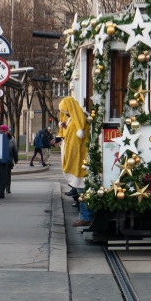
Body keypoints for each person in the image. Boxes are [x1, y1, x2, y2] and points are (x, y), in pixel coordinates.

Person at [58, 96, 91, 227]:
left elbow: (75, 142)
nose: (65, 115)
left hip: (80, 160)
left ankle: (86, 216)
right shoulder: (76, 119)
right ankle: (84, 216)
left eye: (66, 112)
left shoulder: (79, 121)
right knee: (80, 190)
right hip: (79, 160)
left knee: (82, 190)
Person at [5, 127, 18, 194]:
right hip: (1, 160)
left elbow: (14, 150)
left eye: (6, 131)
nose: (6, 132)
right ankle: (0, 188)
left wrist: (16, 159)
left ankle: (7, 188)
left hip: (9, 159)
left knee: (7, 175)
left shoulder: (11, 139)